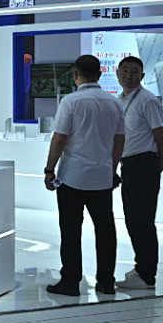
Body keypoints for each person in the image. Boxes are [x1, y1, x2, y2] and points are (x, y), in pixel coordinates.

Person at [43, 55, 125, 297]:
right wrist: (112, 168)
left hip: (72, 176)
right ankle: (106, 281)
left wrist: (49, 170)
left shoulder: (70, 101)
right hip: (102, 177)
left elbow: (60, 138)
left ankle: (70, 281)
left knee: (70, 230)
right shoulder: (113, 103)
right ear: (99, 74)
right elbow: (119, 139)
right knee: (105, 230)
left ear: (75, 75)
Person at [114, 56, 163, 290]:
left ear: (142, 76)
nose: (129, 76)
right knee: (131, 220)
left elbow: (161, 134)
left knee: (144, 221)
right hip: (127, 165)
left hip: (144, 165)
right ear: (117, 74)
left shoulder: (147, 100)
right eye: (125, 71)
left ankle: (147, 275)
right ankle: (141, 267)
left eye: (134, 71)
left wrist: (161, 160)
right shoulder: (119, 101)